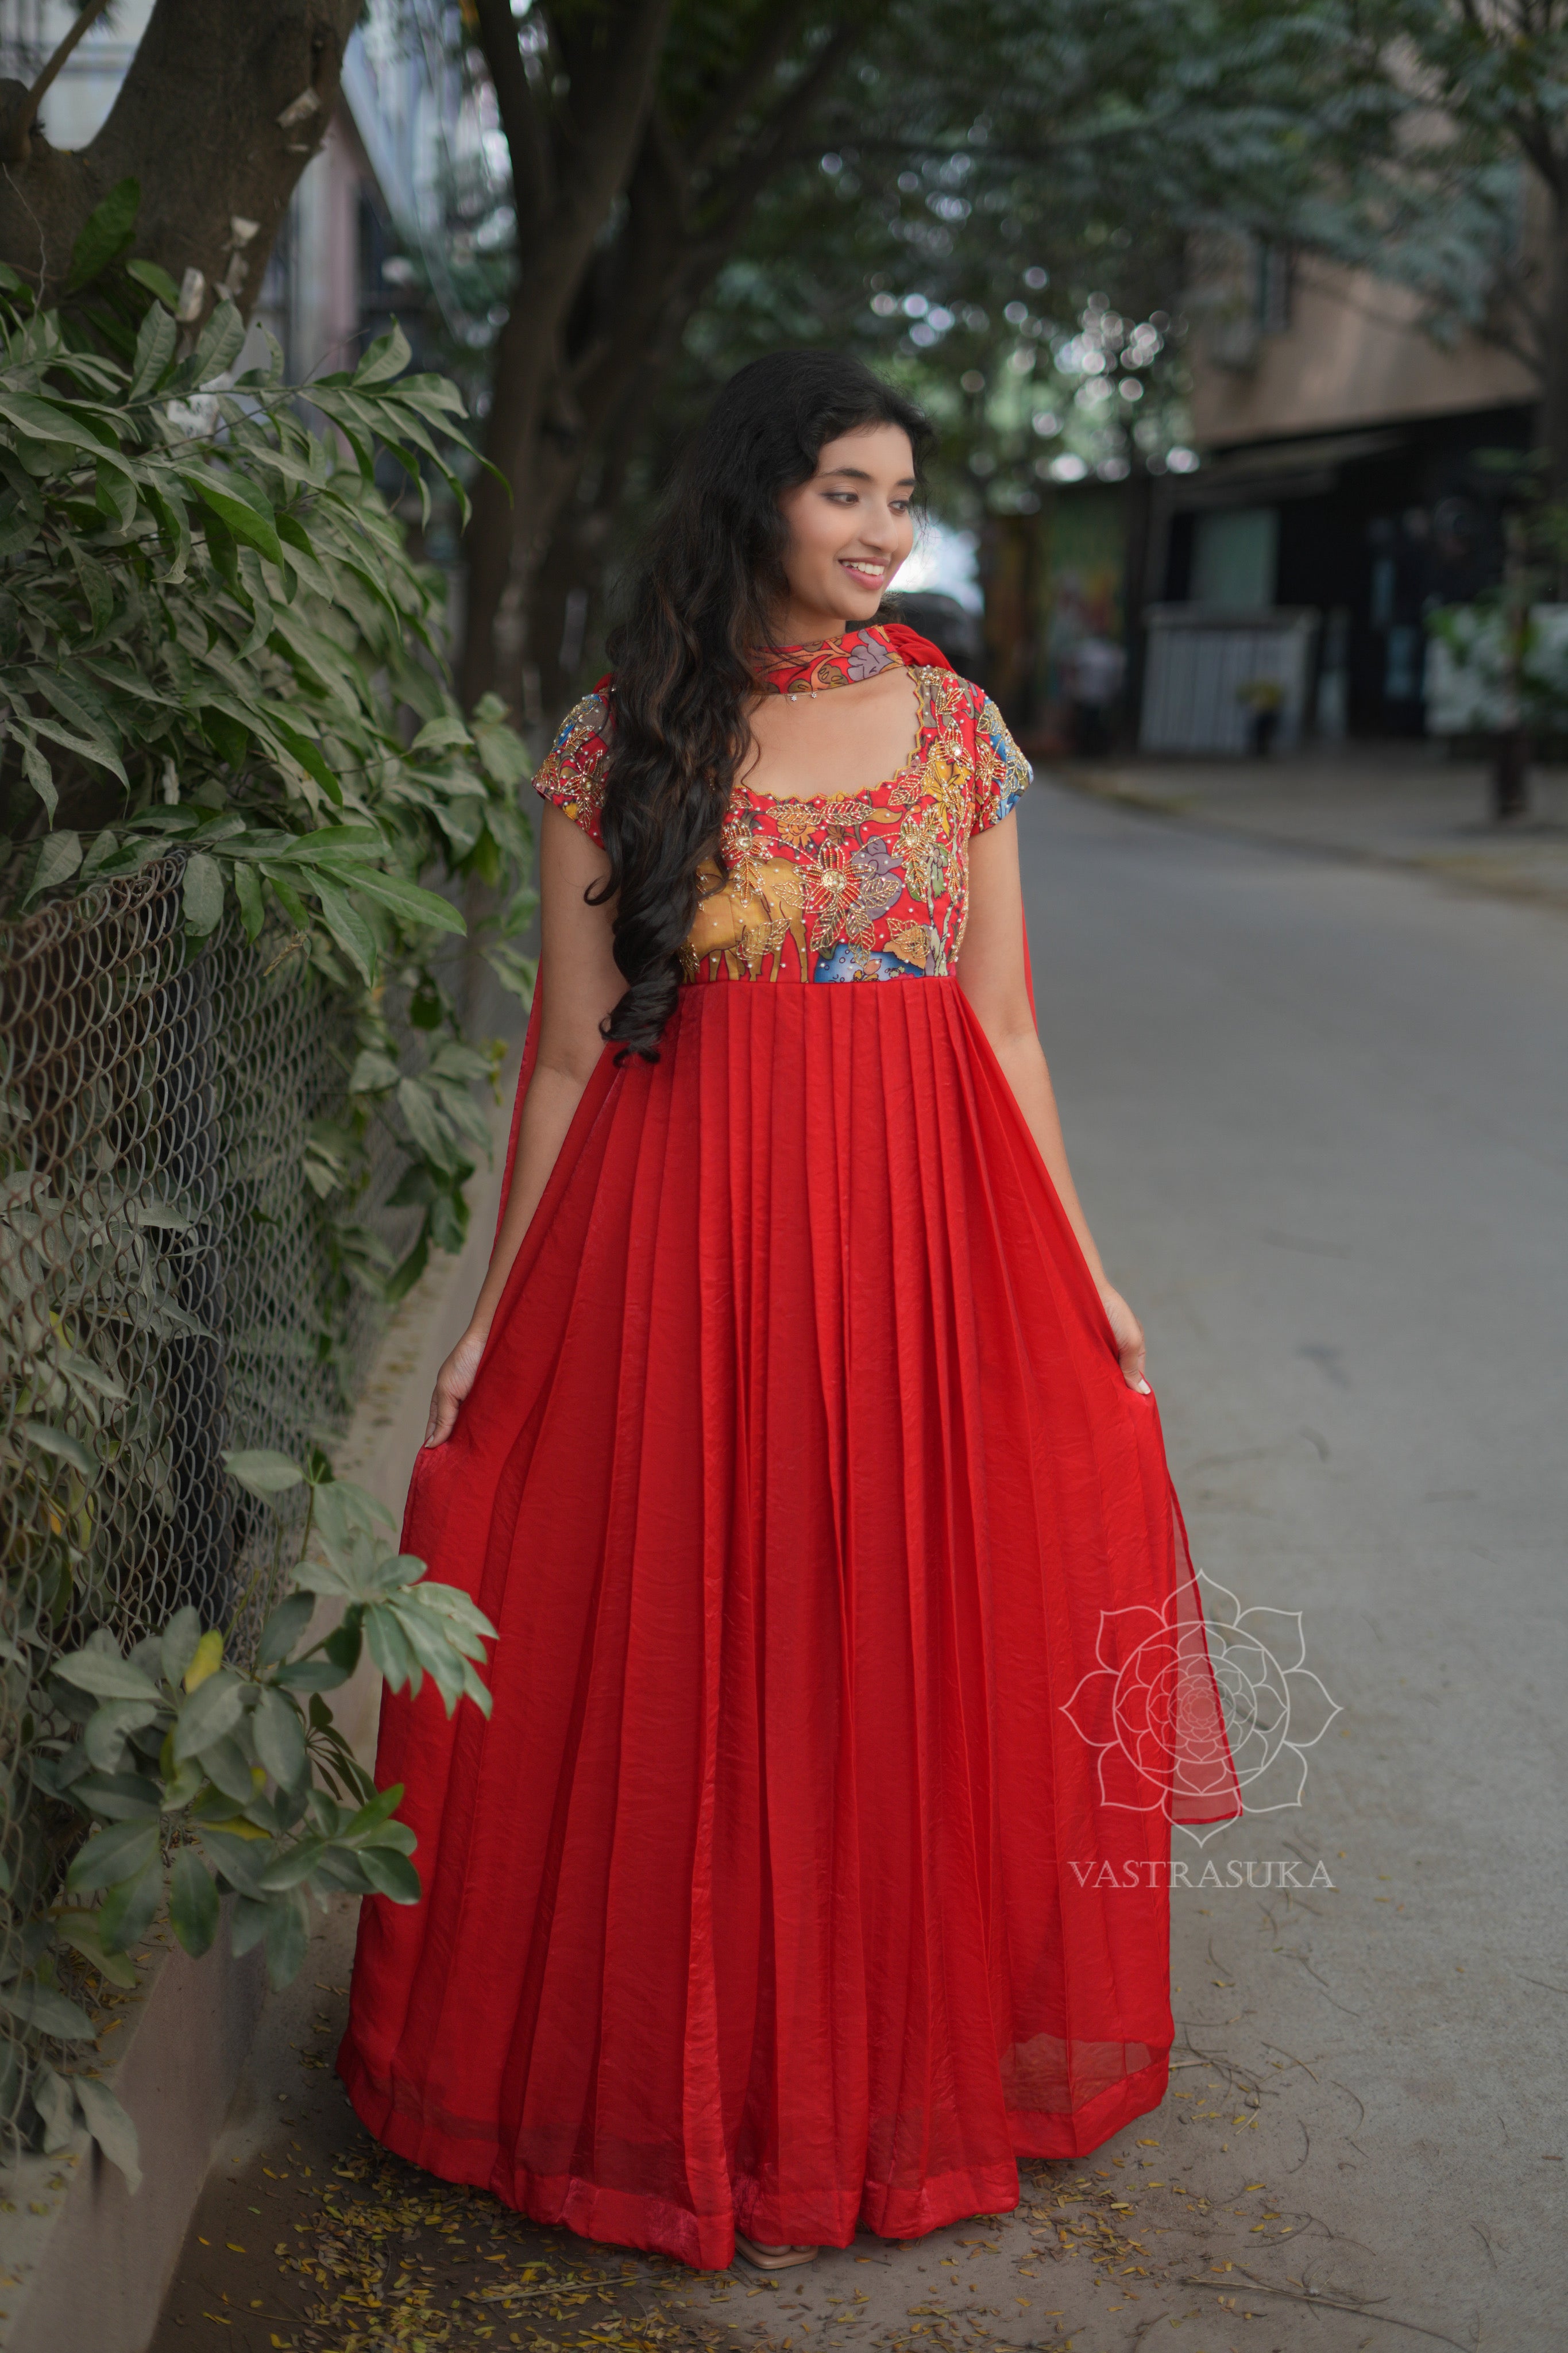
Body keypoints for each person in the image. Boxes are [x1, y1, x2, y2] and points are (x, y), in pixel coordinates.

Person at [337, 349, 1242, 2275]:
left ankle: (880, 2074)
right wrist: (497, 1310)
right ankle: (681, 2090)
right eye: (846, 491)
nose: (882, 532)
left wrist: (1083, 1268)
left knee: (890, 1628)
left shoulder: (953, 725)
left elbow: (999, 1021)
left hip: (921, 1233)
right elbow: (572, 1059)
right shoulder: (621, 739)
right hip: (682, 1237)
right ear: (758, 496)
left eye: (900, 499)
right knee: (687, 1624)